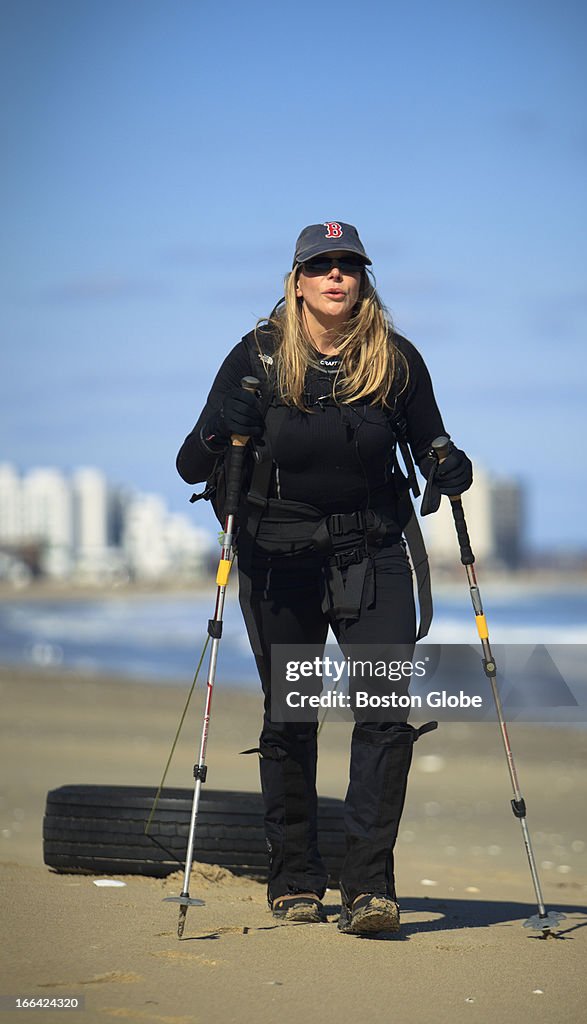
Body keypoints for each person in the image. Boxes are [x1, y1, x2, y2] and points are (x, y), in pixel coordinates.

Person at [176, 221, 473, 935]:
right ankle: (295, 881)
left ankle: (368, 889)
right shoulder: (256, 355)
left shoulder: (394, 361)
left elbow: (433, 442)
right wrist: (226, 424)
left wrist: (449, 466)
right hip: (278, 560)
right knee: (292, 717)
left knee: (380, 716)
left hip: (371, 557)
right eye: (322, 265)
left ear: (362, 279)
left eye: (348, 265)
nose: (336, 275)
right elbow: (192, 462)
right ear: (298, 279)